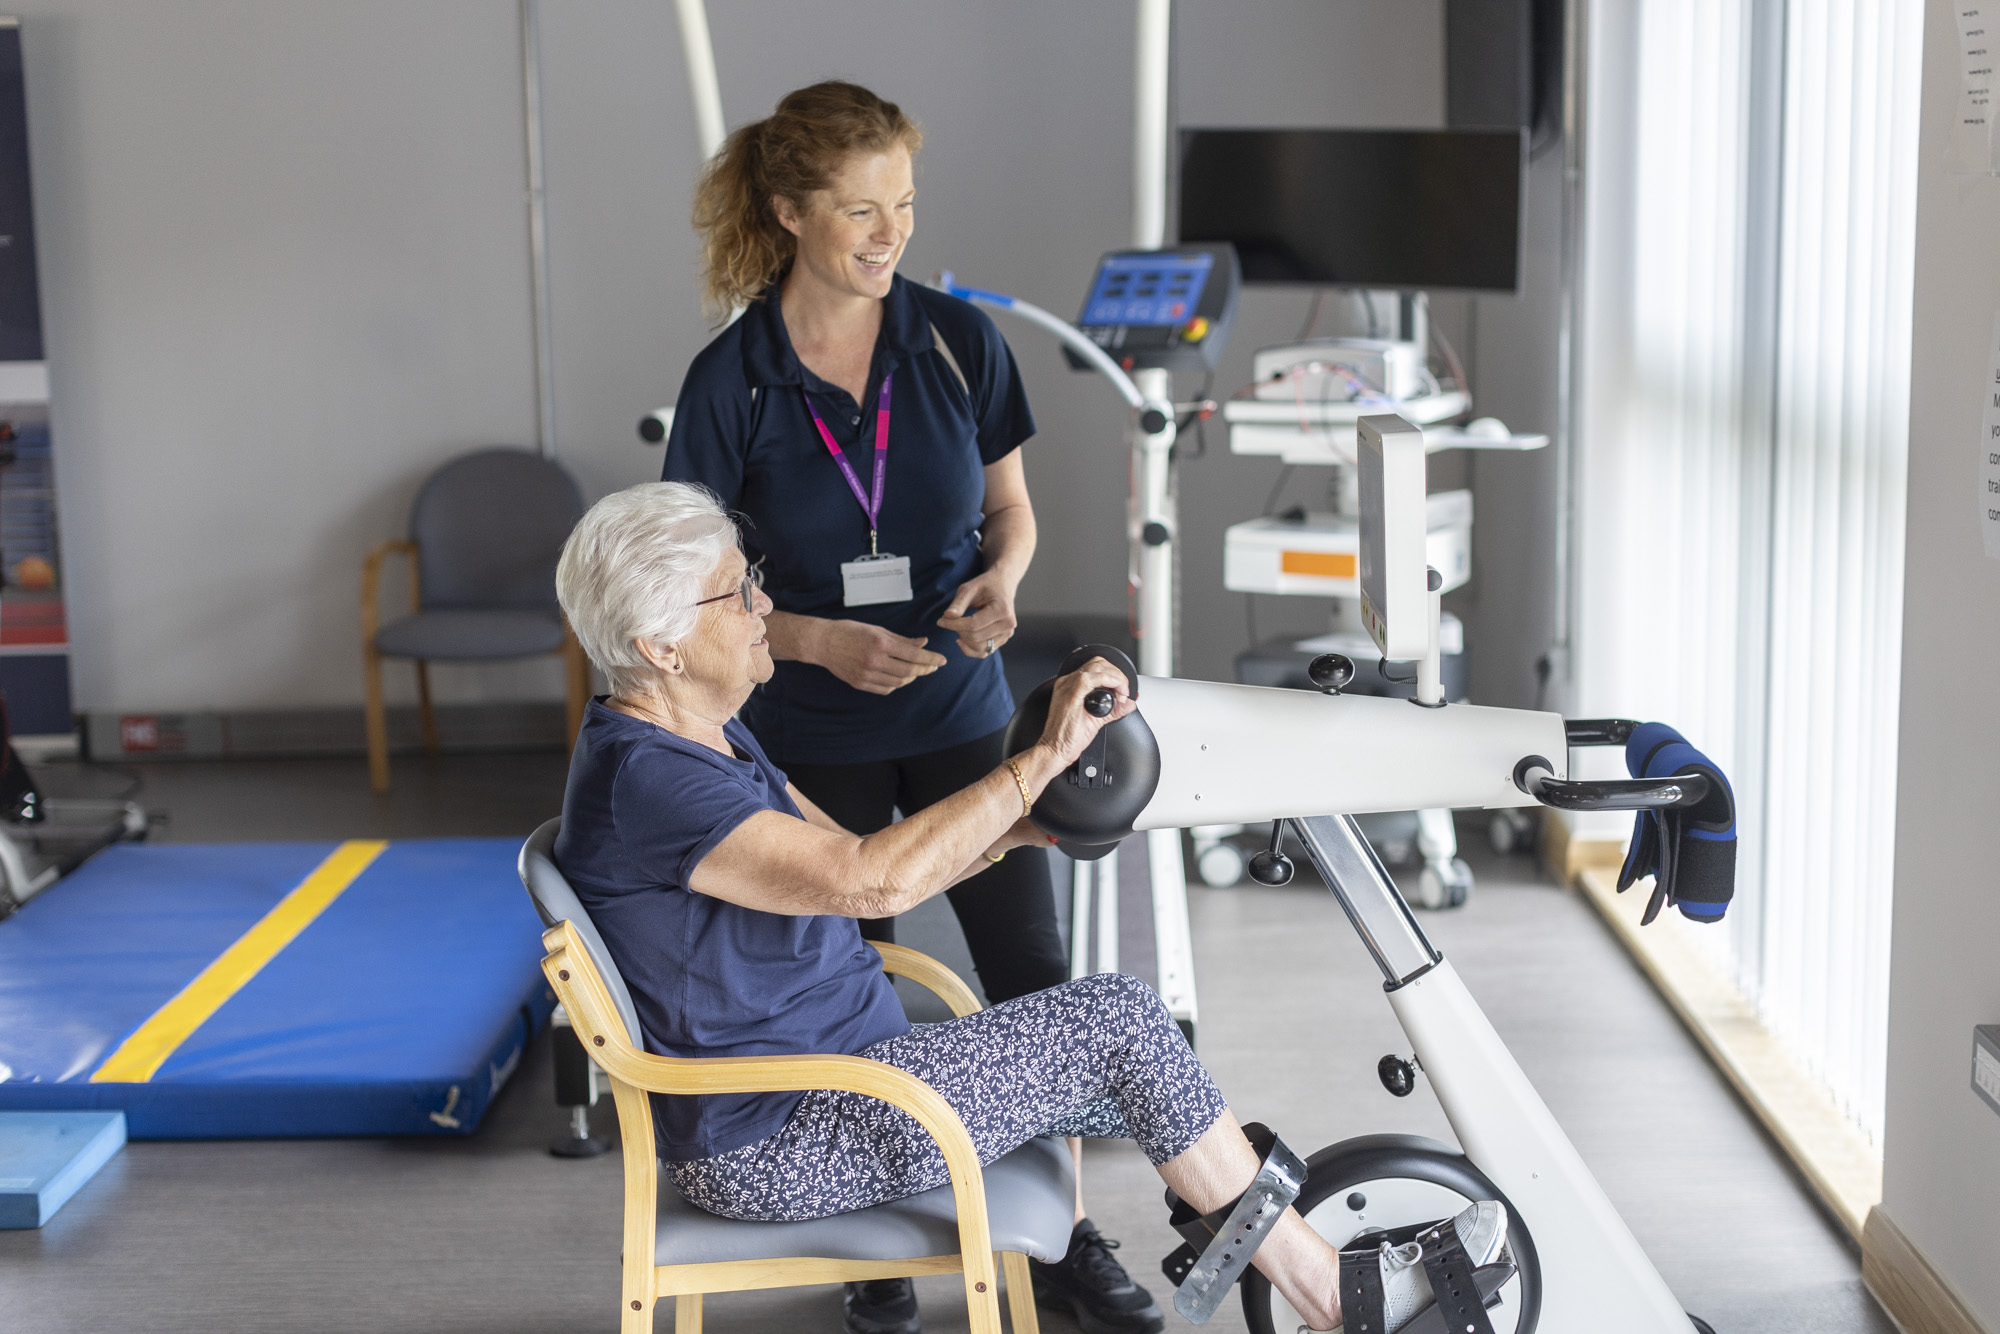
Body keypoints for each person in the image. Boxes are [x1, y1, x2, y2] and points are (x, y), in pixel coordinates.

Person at [551, 482, 1509, 1334]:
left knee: (1144, 1064)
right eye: (739, 590)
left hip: (846, 1085)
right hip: (783, 1135)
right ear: (661, 645)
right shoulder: (651, 782)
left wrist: (1018, 832)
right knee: (1121, 1021)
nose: (767, 603)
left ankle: (1276, 1255)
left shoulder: (704, 736)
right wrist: (1038, 760)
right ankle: (1337, 1299)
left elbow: (870, 867)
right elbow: (867, 879)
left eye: (752, 576)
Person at [659, 80, 1121, 1332]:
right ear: (787, 210)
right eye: (859, 208)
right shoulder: (731, 382)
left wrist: (1003, 581)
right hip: (807, 732)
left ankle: (1065, 1238)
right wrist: (811, 637)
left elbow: (1011, 511)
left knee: (1028, 968)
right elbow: (687, 583)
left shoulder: (959, 342)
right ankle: (872, 1250)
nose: (888, 232)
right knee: (849, 993)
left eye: (903, 203)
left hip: (961, 708)